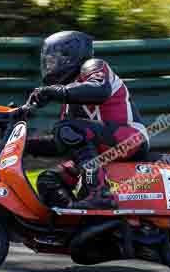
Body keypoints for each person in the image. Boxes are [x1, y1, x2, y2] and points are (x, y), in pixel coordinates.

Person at [25, 31, 149, 209]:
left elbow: (99, 90)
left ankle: (100, 194)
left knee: (68, 128)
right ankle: (72, 221)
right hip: (102, 152)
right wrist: (26, 144)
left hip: (131, 139)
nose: (50, 65)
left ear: (72, 57)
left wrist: (56, 92)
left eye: (55, 59)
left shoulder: (94, 66)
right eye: (48, 60)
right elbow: (62, 142)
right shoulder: (69, 98)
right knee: (48, 179)